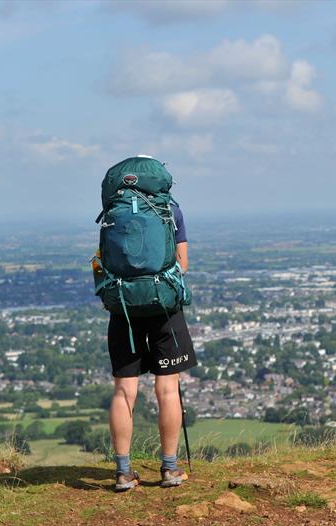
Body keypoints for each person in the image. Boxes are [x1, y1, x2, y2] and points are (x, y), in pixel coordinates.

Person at [108, 202, 198, 492]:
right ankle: (170, 468)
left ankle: (123, 472)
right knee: (168, 389)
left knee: (124, 390)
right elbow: (182, 264)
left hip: (124, 308)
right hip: (164, 308)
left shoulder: (115, 209)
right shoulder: (170, 208)